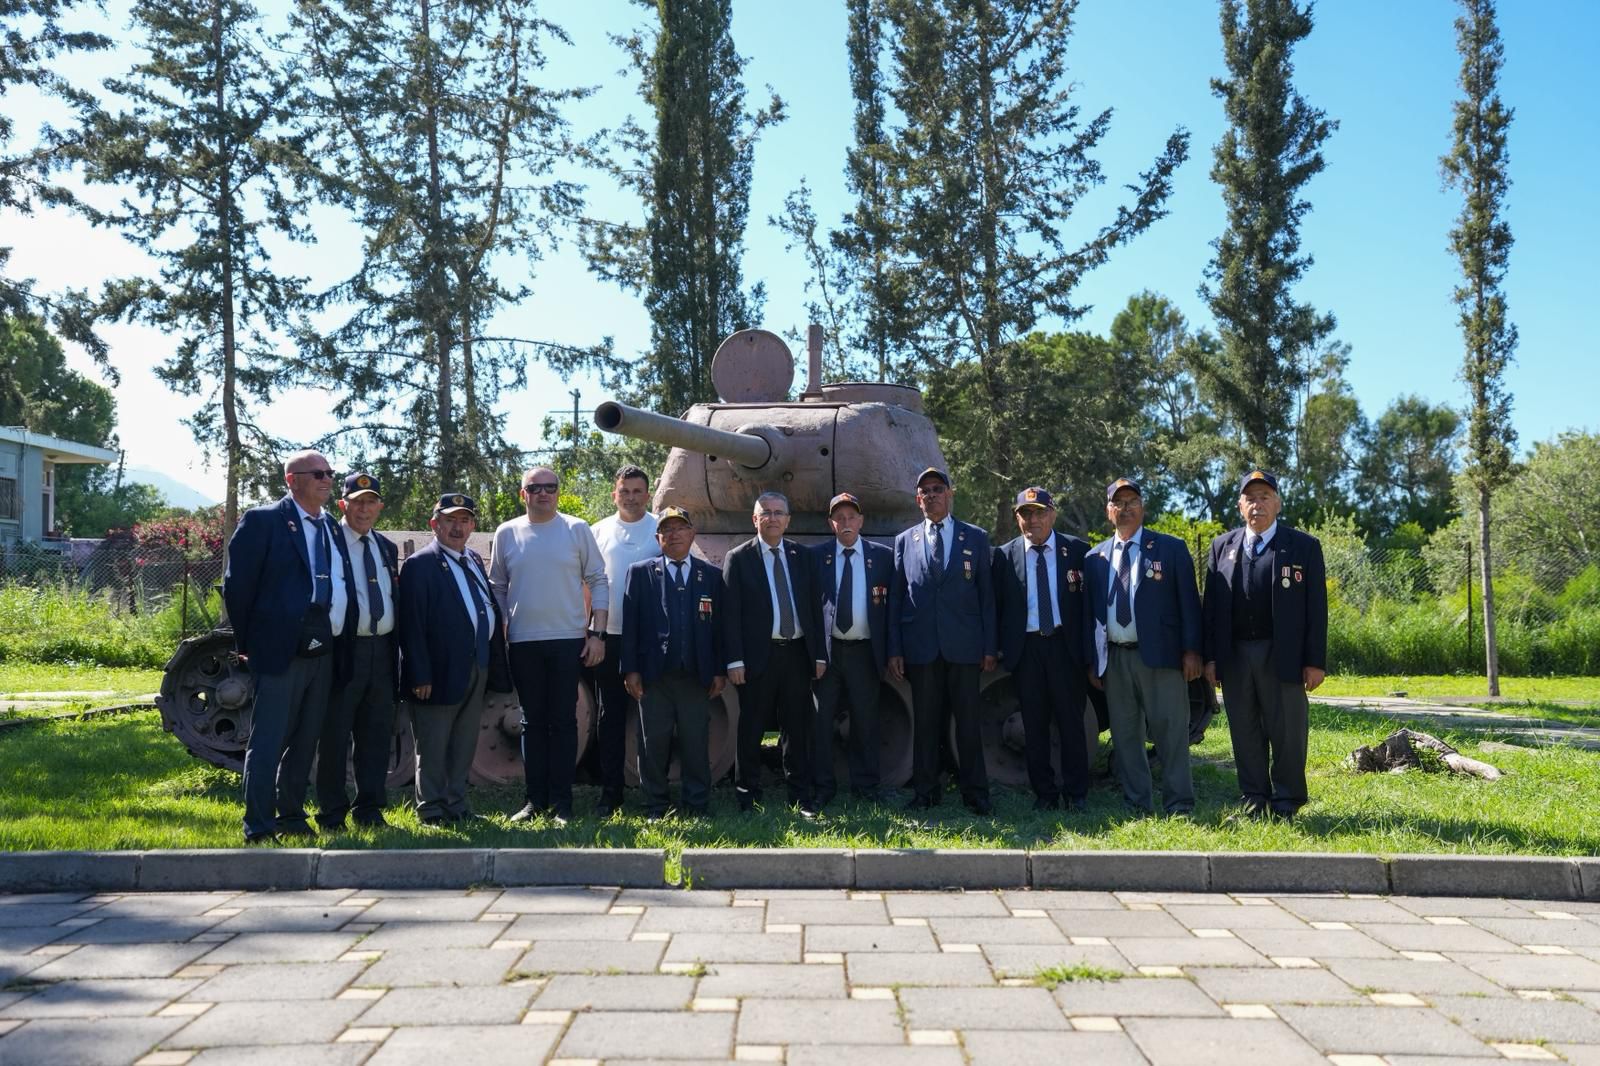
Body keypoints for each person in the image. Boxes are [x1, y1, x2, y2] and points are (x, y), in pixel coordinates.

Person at [222, 449, 356, 843]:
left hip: (323, 646)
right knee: (269, 740)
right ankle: (259, 826)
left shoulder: (331, 527)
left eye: (329, 472)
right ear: (292, 480)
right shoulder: (263, 521)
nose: (327, 479)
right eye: (318, 474)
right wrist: (250, 643)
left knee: (306, 740)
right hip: (280, 650)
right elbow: (237, 588)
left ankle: (292, 816)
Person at [1203, 469, 1328, 820]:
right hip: (1235, 655)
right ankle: (1254, 797)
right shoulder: (1222, 547)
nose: (1257, 504)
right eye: (1250, 498)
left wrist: (1315, 661)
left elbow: (1316, 609)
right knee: (1244, 730)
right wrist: (1211, 658)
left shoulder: (1303, 546)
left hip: (1283, 653)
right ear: (1240, 505)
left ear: (1278, 503)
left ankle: (1287, 800)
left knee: (1287, 730)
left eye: (1264, 497)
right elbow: (1210, 610)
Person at [492, 467, 609, 824]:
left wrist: (597, 633)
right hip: (523, 641)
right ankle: (534, 801)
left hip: (568, 640)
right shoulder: (506, 532)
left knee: (563, 723)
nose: (543, 493)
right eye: (535, 488)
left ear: (558, 492)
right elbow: (497, 586)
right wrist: (503, 629)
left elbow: (598, 580)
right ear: (522, 494)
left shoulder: (577, 529)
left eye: (550, 487)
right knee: (532, 723)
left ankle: (562, 804)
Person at [1085, 477, 1203, 816]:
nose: (1125, 508)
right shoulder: (1094, 557)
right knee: (1125, 735)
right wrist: (1094, 661)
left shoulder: (1170, 548)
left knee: (1170, 732)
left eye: (1132, 502)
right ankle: (1136, 802)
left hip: (1161, 658)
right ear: (1108, 511)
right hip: (1115, 658)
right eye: (1118, 503)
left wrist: (1192, 651)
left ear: (1143, 507)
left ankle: (1179, 802)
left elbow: (1189, 604)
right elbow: (1090, 615)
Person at [887, 467, 997, 816]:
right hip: (921, 647)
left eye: (937, 489)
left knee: (967, 723)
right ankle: (925, 792)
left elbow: (986, 597)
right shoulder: (905, 541)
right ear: (917, 499)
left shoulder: (975, 537)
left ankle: (975, 794)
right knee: (925, 723)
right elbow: (897, 599)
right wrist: (895, 649)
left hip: (964, 646)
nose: (931, 495)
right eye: (925, 491)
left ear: (950, 494)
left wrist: (989, 647)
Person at [398, 493, 510, 825]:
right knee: (433, 745)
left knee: (463, 742)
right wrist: (420, 674)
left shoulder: (472, 559)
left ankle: (457, 805)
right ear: (434, 524)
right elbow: (412, 625)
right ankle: (430, 809)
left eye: (464, 520)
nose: (457, 527)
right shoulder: (420, 565)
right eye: (450, 520)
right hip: (437, 672)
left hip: (475, 665)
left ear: (473, 525)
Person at [993, 487, 1096, 811]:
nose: (1033, 520)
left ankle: (1076, 793)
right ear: (1017, 518)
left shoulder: (1077, 551)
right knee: (1033, 725)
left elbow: (1089, 606)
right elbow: (997, 606)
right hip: (1027, 650)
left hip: (1065, 647)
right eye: (1026, 514)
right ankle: (1045, 794)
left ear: (1052, 514)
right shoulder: (1004, 556)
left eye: (1039, 512)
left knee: (1071, 722)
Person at [724, 491, 826, 814]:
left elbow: (814, 609)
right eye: (765, 512)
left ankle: (800, 797)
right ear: (755, 519)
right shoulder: (738, 558)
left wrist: (819, 655)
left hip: (797, 654)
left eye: (778, 512)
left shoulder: (802, 556)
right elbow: (730, 615)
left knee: (797, 728)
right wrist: (735, 660)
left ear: (788, 520)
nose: (772, 517)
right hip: (758, 656)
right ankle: (748, 797)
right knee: (751, 728)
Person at [620, 507, 727, 819]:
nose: (674, 534)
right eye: (667, 529)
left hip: (695, 676)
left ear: (692, 534)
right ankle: (655, 804)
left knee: (696, 742)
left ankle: (697, 804)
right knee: (652, 743)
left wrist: (719, 670)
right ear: (658, 538)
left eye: (680, 528)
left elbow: (719, 629)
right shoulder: (640, 573)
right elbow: (631, 625)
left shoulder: (711, 576)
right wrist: (630, 669)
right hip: (655, 677)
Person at [315, 472, 401, 830]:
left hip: (382, 650)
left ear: (380, 506)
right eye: (357, 502)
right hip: (343, 651)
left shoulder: (386, 547)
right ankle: (332, 813)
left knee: (376, 735)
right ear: (342, 505)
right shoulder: (328, 542)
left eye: (371, 502)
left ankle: (369, 809)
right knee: (335, 735)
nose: (364, 509)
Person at [809, 492, 894, 807]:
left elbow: (892, 609)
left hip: (864, 651)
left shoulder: (883, 557)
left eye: (851, 517)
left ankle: (866, 787)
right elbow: (809, 609)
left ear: (861, 521)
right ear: (830, 523)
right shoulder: (816, 557)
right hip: (828, 653)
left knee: (865, 720)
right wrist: (815, 654)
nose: (845, 522)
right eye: (839, 518)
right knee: (820, 722)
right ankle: (822, 787)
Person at [587, 464, 658, 816]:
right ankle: (610, 793)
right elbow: (587, 583)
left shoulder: (661, 529)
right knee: (610, 717)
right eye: (624, 491)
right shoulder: (597, 531)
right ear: (614, 494)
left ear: (648, 494)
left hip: (650, 640)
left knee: (651, 719)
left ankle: (653, 794)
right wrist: (591, 633)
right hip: (609, 637)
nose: (631, 497)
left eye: (637, 491)